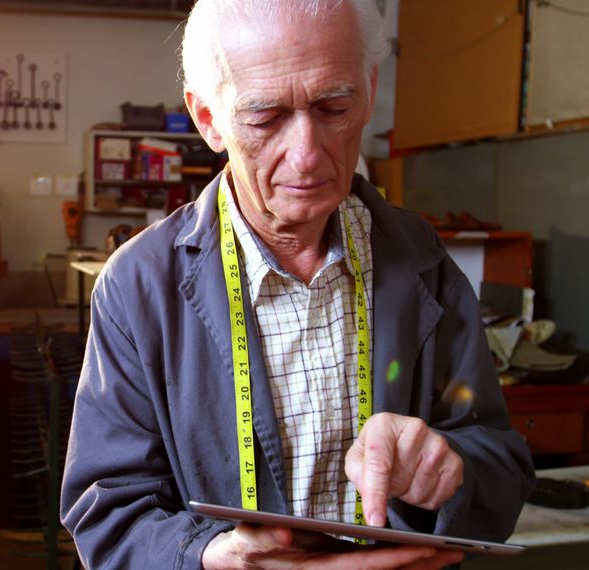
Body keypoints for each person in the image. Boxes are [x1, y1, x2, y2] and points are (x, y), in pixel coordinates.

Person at [60, 0, 535, 568]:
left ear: (369, 87)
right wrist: (211, 555)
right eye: (264, 118)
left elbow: (501, 465)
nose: (307, 155)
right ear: (208, 119)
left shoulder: (424, 265)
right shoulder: (138, 289)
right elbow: (108, 513)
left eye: (334, 106)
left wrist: (446, 469)